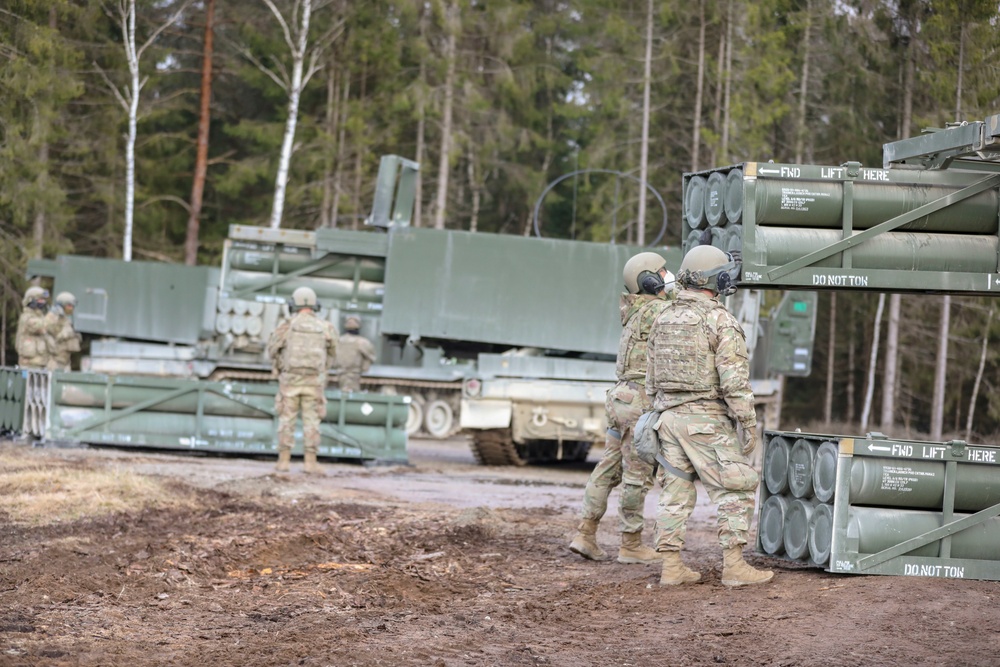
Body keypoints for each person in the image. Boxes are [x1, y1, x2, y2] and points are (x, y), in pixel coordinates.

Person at [646, 244, 773, 587]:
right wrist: (748, 423)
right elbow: (735, 382)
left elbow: (650, 375)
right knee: (739, 485)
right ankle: (734, 566)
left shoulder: (663, 316)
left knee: (675, 490)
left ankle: (671, 567)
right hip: (704, 419)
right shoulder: (720, 320)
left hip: (667, 417)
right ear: (715, 280)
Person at [569, 252, 676, 564]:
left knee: (609, 466)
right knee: (638, 474)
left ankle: (585, 533)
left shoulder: (635, 309)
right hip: (639, 401)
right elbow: (684, 310)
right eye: (662, 272)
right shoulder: (658, 309)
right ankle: (630, 544)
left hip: (620, 398)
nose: (668, 275)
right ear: (650, 280)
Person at [266, 287, 338, 474]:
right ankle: (310, 463)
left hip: (290, 382)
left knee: (286, 420)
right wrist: (322, 370)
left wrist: (280, 363)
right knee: (312, 422)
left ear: (293, 304)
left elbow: (272, 349)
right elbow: (333, 353)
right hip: (314, 383)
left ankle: (283, 462)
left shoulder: (287, 326)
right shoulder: (326, 327)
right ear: (316, 305)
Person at [336, 315, 376, 392]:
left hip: (343, 373)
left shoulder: (339, 340)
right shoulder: (362, 342)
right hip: (353, 374)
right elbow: (372, 356)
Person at [15, 287, 51, 369]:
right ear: (31, 301)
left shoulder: (40, 316)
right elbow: (38, 325)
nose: (43, 302)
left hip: (40, 363)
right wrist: (51, 316)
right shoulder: (26, 317)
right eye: (40, 300)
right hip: (29, 364)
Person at [45, 292, 82, 372]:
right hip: (54, 361)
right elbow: (51, 333)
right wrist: (68, 334)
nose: (71, 308)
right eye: (69, 306)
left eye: (72, 306)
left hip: (65, 361)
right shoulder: (52, 316)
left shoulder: (65, 319)